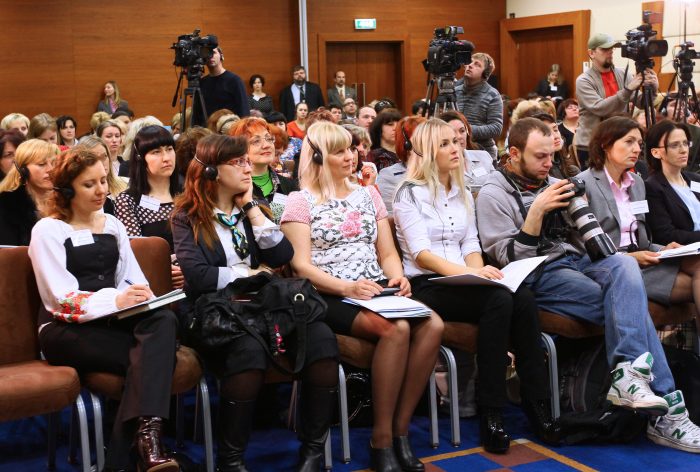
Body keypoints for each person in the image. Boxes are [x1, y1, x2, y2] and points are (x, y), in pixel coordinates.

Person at [476, 117, 700, 453]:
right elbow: (508, 259)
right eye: (540, 157)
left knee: (623, 264)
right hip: (539, 273)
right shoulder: (492, 193)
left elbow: (597, 244)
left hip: (579, 262)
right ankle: (667, 412)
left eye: (551, 155)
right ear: (513, 153)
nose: (548, 164)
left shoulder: (556, 181)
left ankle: (628, 375)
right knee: (628, 306)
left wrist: (588, 220)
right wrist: (536, 213)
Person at [281, 121, 444, 472]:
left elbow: (387, 252)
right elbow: (301, 268)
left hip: (374, 287)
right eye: (339, 151)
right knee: (396, 329)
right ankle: (381, 439)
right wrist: (347, 288)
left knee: (433, 325)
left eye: (352, 148)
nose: (350, 156)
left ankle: (401, 432)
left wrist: (397, 276)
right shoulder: (300, 201)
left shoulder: (368, 194)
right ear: (319, 157)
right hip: (329, 293)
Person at [172, 133, 338, 472]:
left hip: (262, 308)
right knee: (247, 350)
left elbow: (281, 255)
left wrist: (251, 210)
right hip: (215, 313)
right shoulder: (186, 216)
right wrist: (249, 272)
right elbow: (200, 277)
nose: (248, 168)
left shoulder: (252, 208)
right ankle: (230, 460)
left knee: (321, 339)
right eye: (238, 163)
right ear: (211, 172)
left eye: (248, 161)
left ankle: (313, 451)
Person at [393, 118, 559, 453]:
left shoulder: (462, 192)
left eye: (456, 142)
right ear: (426, 152)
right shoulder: (408, 193)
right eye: (444, 144)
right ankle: (492, 410)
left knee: (521, 297)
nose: (455, 148)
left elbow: (471, 244)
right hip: (428, 284)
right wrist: (471, 277)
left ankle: (537, 401)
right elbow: (422, 255)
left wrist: (479, 272)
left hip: (463, 279)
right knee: (499, 301)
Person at [29, 149, 179, 472]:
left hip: (112, 322)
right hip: (63, 330)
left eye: (103, 181)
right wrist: (116, 300)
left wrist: (142, 296)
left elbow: (133, 280)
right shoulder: (48, 231)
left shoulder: (112, 224)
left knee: (163, 318)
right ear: (67, 191)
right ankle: (145, 447)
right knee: (156, 358)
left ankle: (134, 452)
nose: (101, 191)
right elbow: (60, 299)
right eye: (89, 185)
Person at [575, 33, 658, 169]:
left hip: (619, 141)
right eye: (604, 49)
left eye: (612, 49)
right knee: (599, 187)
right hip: (592, 144)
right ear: (591, 53)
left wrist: (653, 89)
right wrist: (627, 90)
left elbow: (642, 103)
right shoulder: (584, 80)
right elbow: (600, 108)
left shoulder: (622, 74)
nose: (610, 52)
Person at [115, 125, 183, 289]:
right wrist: (168, 268)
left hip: (195, 273)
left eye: (169, 149)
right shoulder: (128, 201)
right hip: (154, 280)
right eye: (156, 152)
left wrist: (188, 267)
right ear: (140, 158)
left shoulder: (189, 193)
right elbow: (137, 254)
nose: (166, 158)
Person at [228, 117, 298, 223]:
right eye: (256, 141)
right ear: (239, 148)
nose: (266, 145)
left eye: (269, 139)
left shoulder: (289, 186)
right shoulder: (234, 190)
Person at [645, 120, 700, 245]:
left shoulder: (696, 179)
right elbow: (666, 235)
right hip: (684, 252)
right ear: (656, 152)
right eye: (674, 145)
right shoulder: (653, 187)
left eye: (685, 143)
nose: (683, 150)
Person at [0, 139, 58, 245]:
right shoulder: (6, 206)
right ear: (23, 170)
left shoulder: (67, 201)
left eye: (54, 163)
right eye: (41, 164)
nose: (51, 169)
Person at [456, 52, 503, 160]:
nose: (470, 65)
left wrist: (466, 130)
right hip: (457, 151)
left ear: (485, 74)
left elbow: (496, 128)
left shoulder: (492, 94)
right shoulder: (454, 91)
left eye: (477, 64)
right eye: (470, 62)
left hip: (483, 153)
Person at [377, 116, 426, 215]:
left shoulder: (442, 170)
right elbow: (390, 218)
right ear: (407, 144)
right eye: (423, 138)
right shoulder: (389, 176)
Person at [438, 111, 495, 190]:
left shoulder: (484, 156)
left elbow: (497, 187)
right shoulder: (441, 165)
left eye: (462, 131)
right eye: (453, 132)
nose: (459, 136)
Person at [196, 47, 250, 125]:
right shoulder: (202, 83)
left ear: (221, 55)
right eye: (207, 53)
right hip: (209, 131)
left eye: (214, 52)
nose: (211, 56)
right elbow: (198, 113)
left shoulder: (234, 80)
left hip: (230, 129)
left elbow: (244, 110)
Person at [77, 135, 127, 215]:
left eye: (104, 156)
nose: (101, 163)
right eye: (93, 158)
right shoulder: (79, 194)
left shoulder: (126, 184)